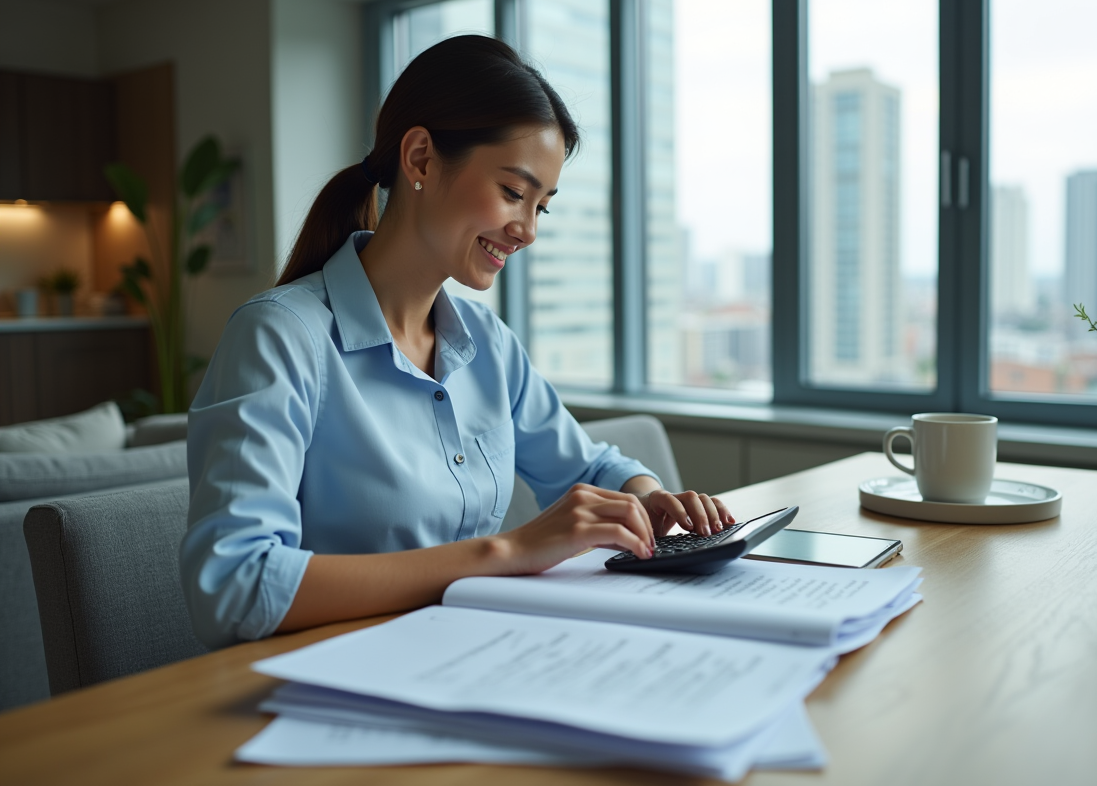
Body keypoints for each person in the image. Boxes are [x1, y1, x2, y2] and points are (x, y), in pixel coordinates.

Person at [180, 35, 733, 650]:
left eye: (541, 208)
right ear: (419, 159)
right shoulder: (278, 336)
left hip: (470, 653)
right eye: (513, 193)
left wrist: (649, 501)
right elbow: (235, 586)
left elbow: (591, 467)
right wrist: (506, 551)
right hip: (333, 680)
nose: (526, 231)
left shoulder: (487, 345)